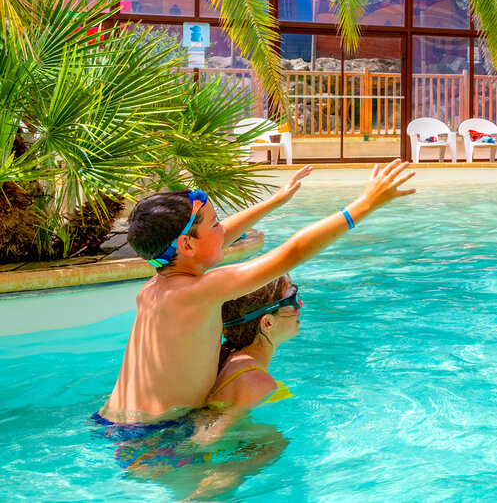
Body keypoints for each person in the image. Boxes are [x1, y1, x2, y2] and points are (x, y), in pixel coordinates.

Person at [95, 160, 415, 431]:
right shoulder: (199, 292)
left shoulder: (159, 282)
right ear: (188, 246)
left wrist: (275, 202)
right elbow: (292, 253)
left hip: (111, 421)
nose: (226, 231)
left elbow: (212, 240)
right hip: (157, 436)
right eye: (216, 224)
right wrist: (364, 205)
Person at [207, 275, 301, 413]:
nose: (300, 304)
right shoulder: (257, 382)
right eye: (291, 299)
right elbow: (218, 433)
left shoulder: (225, 357)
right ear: (267, 323)